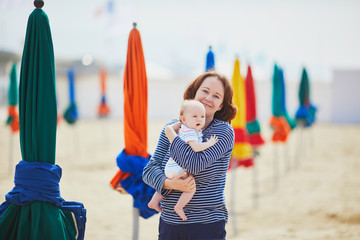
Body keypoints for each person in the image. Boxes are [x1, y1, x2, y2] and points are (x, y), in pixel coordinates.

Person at [143, 71, 237, 240]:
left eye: (216, 96)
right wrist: (169, 183)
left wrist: (172, 135)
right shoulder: (172, 125)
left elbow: (194, 164)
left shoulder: (222, 132)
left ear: (221, 105)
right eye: (205, 91)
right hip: (169, 223)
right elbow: (149, 170)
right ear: (195, 93)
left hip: (206, 225)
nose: (209, 98)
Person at [148, 99, 219, 221]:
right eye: (195, 116)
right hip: (177, 167)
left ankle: (154, 201)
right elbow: (196, 147)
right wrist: (210, 143)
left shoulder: (188, 129)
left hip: (171, 166)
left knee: (170, 184)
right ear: (184, 119)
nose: (199, 119)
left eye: (202, 116)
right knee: (191, 187)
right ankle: (179, 207)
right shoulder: (189, 131)